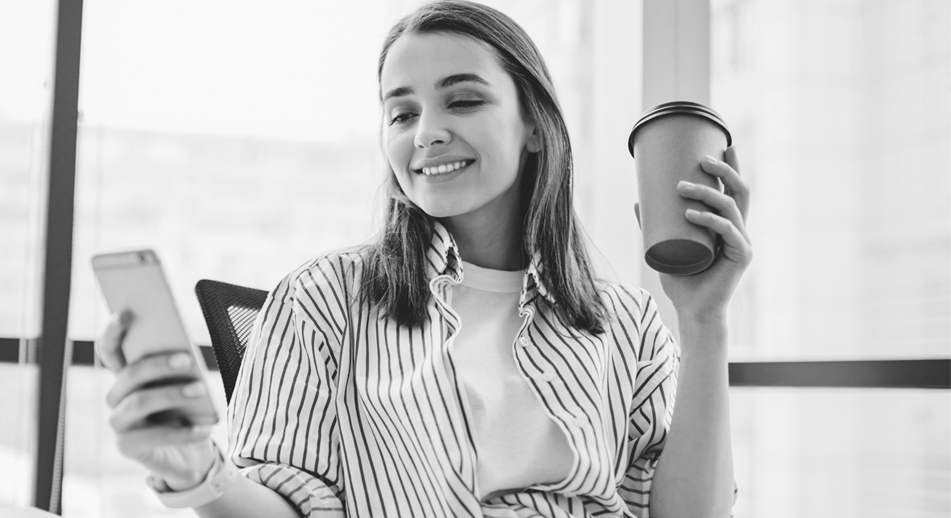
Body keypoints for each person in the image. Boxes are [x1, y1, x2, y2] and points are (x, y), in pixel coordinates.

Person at [96, 1, 751, 517]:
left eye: (462, 99)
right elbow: (288, 503)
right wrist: (195, 470)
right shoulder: (324, 299)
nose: (426, 132)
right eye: (400, 112)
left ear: (533, 126)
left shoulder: (625, 323)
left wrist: (703, 324)